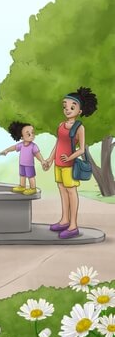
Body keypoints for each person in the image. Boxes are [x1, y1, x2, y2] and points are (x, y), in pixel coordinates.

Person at [42, 87, 98, 240]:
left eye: (72, 107)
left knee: (71, 192)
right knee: (62, 190)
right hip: (58, 164)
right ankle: (64, 220)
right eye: (65, 106)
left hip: (69, 165)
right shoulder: (61, 125)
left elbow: (82, 149)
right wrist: (50, 159)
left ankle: (73, 225)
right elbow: (58, 144)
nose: (67, 109)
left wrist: (70, 157)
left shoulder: (79, 128)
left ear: (80, 111)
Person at [0, 121, 46, 195]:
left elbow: (37, 154)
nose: (32, 135)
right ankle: (22, 186)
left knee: (31, 176)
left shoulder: (33, 146)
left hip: (29, 165)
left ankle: (33, 188)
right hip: (22, 164)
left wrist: (42, 161)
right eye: (28, 134)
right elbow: (14, 147)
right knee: (22, 175)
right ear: (22, 137)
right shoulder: (21, 145)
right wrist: (6, 150)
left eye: (33, 133)